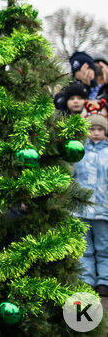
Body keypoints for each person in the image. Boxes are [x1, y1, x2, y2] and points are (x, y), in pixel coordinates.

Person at [73, 114, 108, 296]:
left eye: (99, 129)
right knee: (84, 247)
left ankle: (104, 280)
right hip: (82, 208)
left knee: (104, 246)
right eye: (92, 129)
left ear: (105, 131)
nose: (95, 133)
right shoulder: (79, 152)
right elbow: (72, 177)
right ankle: (86, 279)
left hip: (103, 209)